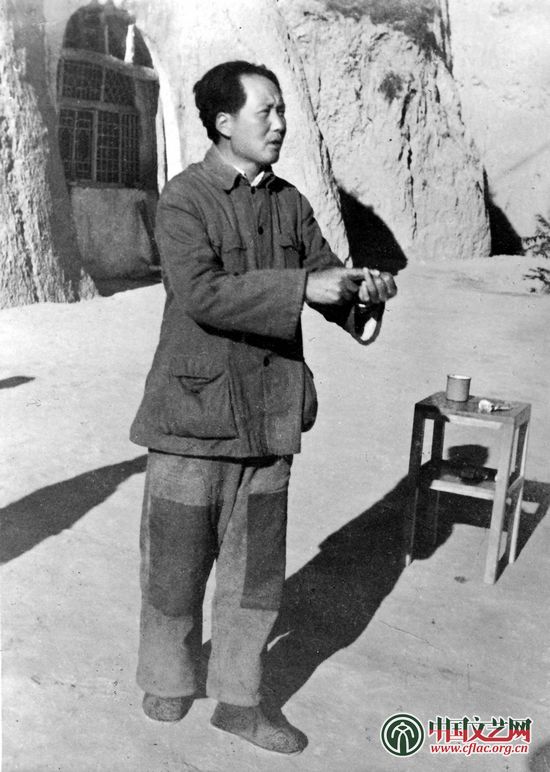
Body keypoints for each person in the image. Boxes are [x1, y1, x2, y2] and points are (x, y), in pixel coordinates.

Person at [130, 60, 397, 755]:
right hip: (193, 416)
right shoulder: (184, 199)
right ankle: (167, 676)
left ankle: (239, 701)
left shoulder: (290, 203)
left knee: (255, 578)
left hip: (272, 414)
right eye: (266, 111)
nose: (280, 123)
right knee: (175, 565)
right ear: (224, 123)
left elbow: (327, 278)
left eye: (282, 111)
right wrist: (302, 288)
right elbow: (202, 293)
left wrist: (362, 292)